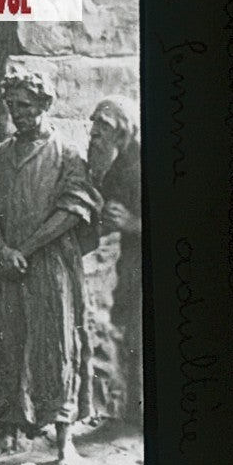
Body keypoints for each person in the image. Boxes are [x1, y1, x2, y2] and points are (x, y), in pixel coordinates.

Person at [0, 66, 102, 465]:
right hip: (11, 265)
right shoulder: (2, 152)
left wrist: (24, 249)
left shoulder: (65, 153)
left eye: (26, 106)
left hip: (51, 264)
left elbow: (73, 209)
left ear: (45, 104)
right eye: (12, 106)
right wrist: (2, 249)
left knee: (56, 344)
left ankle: (64, 441)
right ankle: (9, 434)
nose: (18, 113)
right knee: (7, 342)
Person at [89, 96, 142, 421]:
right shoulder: (116, 168)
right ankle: (131, 413)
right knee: (128, 334)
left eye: (103, 125)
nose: (94, 131)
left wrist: (132, 223)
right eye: (93, 123)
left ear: (122, 131)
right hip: (127, 267)